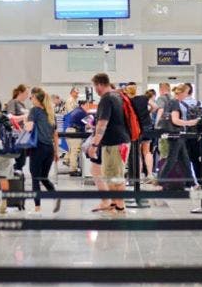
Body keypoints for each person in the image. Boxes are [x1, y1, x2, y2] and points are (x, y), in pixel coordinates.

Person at [86, 73, 130, 216]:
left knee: (116, 177)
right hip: (117, 142)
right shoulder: (116, 97)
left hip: (114, 143)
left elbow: (102, 123)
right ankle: (114, 204)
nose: (95, 89)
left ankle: (120, 207)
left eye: (95, 86)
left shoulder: (106, 99)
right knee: (111, 176)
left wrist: (94, 145)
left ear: (99, 85)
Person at [24, 87, 60, 214]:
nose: (30, 99)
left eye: (31, 97)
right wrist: (56, 152)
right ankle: (55, 195)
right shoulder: (50, 113)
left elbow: (28, 128)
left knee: (35, 178)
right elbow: (55, 134)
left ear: (36, 98)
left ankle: (37, 208)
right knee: (44, 177)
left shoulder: (34, 111)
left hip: (38, 148)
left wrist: (25, 120)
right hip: (49, 149)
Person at [161, 84, 202, 189]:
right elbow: (175, 120)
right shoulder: (175, 103)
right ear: (180, 92)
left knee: (184, 159)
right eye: (185, 92)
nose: (186, 95)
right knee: (171, 159)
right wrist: (190, 123)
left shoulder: (169, 102)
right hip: (176, 134)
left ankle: (192, 183)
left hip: (174, 134)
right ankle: (159, 182)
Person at [181, 83, 202, 189]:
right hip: (197, 136)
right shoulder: (199, 103)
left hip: (184, 135)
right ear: (192, 92)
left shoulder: (180, 104)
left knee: (184, 159)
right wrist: (200, 130)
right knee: (197, 159)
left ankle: (188, 182)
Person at [126, 83, 156, 183]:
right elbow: (155, 106)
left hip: (136, 128)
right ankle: (150, 174)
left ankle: (138, 176)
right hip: (147, 125)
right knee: (147, 151)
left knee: (137, 152)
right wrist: (148, 112)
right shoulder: (144, 98)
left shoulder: (128, 101)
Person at [63, 100, 91, 175]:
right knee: (75, 151)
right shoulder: (82, 112)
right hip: (74, 132)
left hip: (69, 131)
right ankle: (73, 170)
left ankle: (66, 160)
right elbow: (89, 125)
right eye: (87, 105)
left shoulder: (77, 110)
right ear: (83, 105)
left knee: (72, 150)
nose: (88, 107)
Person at [6, 84, 30, 171]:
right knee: (20, 160)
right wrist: (24, 117)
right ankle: (13, 173)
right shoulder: (13, 102)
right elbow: (10, 117)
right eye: (26, 93)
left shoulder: (22, 105)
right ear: (20, 92)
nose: (27, 96)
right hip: (16, 134)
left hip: (23, 134)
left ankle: (17, 175)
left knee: (22, 159)